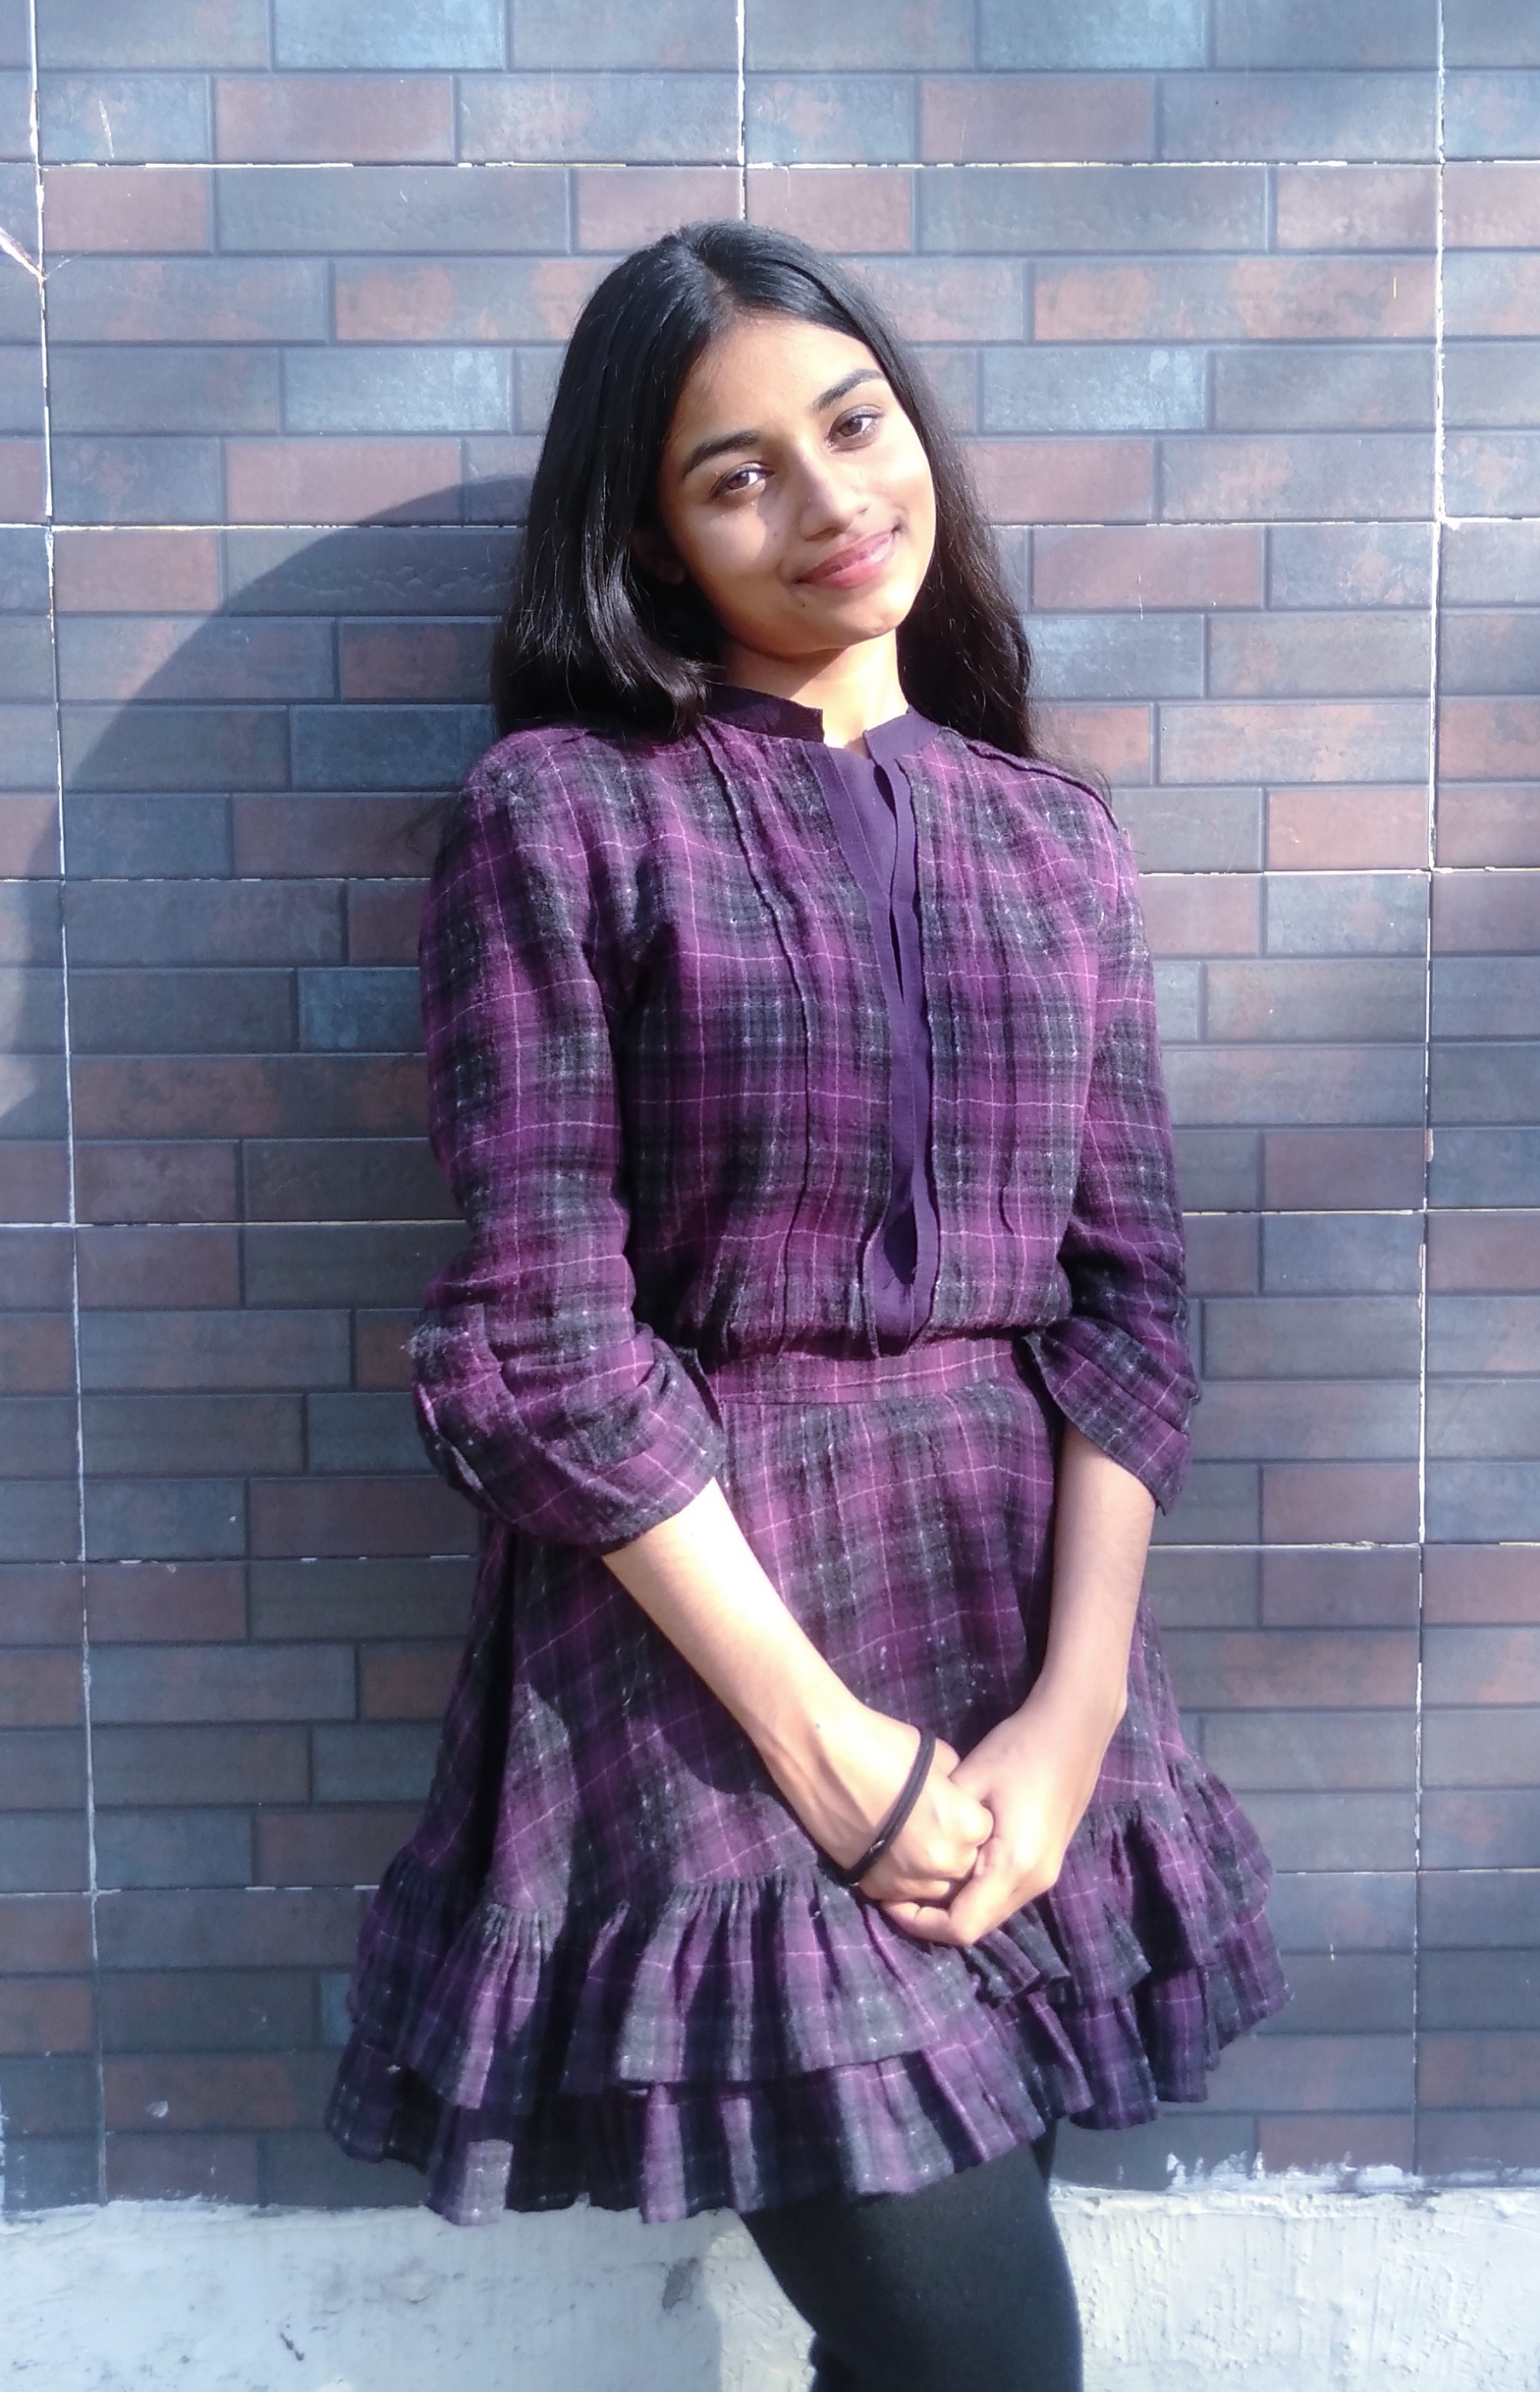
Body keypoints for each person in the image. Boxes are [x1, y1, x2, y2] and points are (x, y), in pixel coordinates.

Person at [327, 223, 1285, 2391]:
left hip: (1005, 1614)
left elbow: (1131, 1303)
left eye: (851, 425)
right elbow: (544, 1332)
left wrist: (1072, 1721)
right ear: (652, 543)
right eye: (734, 473)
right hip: (712, 1642)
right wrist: (825, 1751)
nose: (830, 499)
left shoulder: (1053, 839)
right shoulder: (565, 820)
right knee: (981, 2357)